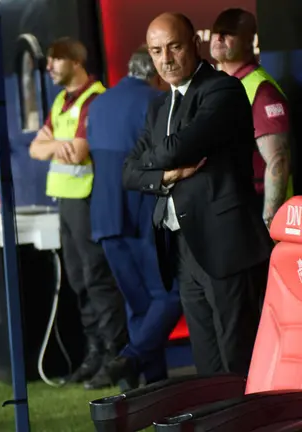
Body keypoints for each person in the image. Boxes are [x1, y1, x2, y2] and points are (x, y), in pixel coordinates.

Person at [122, 12, 274, 376]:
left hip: (226, 247)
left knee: (238, 360)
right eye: (157, 51)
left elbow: (177, 148)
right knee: (207, 366)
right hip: (183, 247)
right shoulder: (158, 106)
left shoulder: (222, 90)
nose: (166, 59)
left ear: (194, 44)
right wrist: (167, 174)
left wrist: (156, 163)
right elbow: (128, 173)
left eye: (174, 47)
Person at [28, 37, 127, 385]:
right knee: (78, 280)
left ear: (74, 60)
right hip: (65, 201)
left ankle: (115, 357)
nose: (49, 67)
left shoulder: (95, 98)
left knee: (97, 280)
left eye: (55, 60)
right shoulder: (61, 101)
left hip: (87, 199)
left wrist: (54, 146)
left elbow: (80, 149)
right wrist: (59, 146)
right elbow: (35, 149)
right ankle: (94, 353)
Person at [85, 47, 181, 390]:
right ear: (155, 73)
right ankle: (133, 357)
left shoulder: (98, 104)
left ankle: (148, 385)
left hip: (105, 216)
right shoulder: (157, 102)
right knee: (169, 296)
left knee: (139, 303)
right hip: (144, 211)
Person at [210, 8, 292, 226]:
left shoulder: (261, 89)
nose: (218, 38)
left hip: (256, 206)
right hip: (232, 204)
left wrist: (269, 221)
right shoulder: (223, 84)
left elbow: (278, 160)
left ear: (249, 41)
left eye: (228, 33)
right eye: (216, 32)